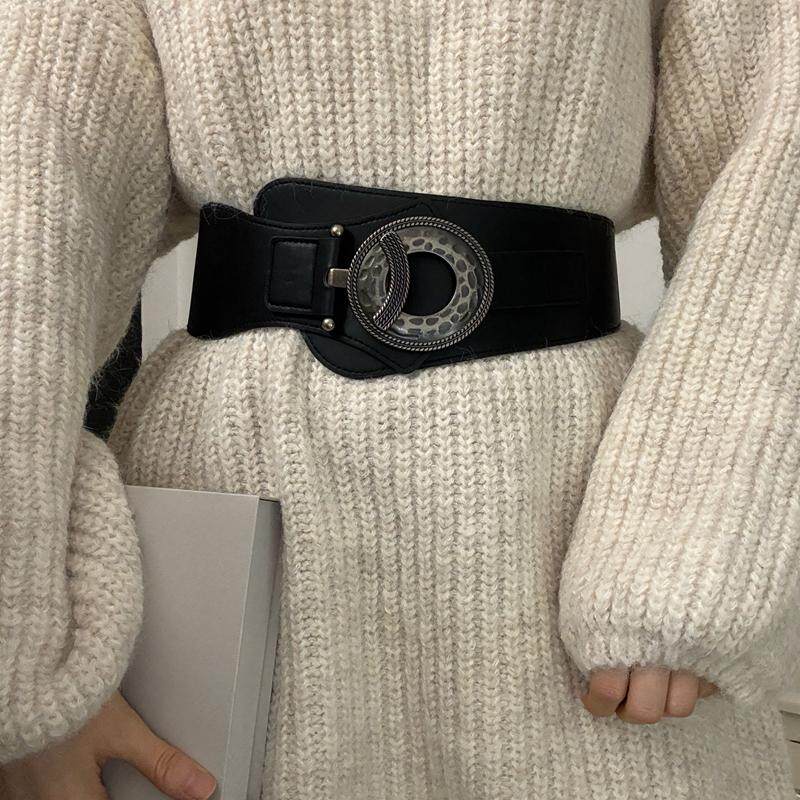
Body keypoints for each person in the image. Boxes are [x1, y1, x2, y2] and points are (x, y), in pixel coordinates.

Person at [1, 1, 799, 798]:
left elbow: (776, 129)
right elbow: (34, 152)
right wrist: (26, 667)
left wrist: (701, 542)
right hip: (233, 517)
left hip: (572, 521)